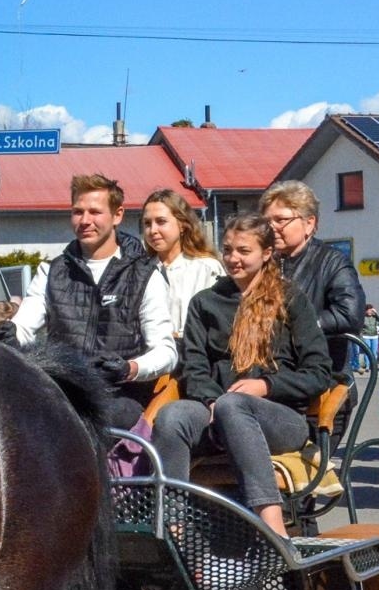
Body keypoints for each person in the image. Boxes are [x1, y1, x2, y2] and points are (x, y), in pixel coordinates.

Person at [152, 213, 332, 537]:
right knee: (173, 415)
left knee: (234, 405)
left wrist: (265, 385)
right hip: (215, 410)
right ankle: (173, 528)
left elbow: (319, 373)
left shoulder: (291, 300)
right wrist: (210, 399)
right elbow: (194, 367)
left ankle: (272, 526)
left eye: (243, 251)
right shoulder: (205, 303)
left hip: (282, 419)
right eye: (228, 249)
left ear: (266, 253)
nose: (233, 258)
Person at [13, 173, 177, 425]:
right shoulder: (51, 271)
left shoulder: (145, 274)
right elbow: (23, 326)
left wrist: (129, 368)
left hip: (120, 395)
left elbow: (165, 352)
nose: (85, 220)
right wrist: (9, 335)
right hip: (61, 390)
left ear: (118, 215)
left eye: (95, 212)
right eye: (78, 212)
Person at [259, 181, 363, 378]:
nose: (271, 228)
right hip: (267, 373)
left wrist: (297, 325)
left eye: (280, 220)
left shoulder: (332, 262)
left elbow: (350, 315)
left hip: (322, 375)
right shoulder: (261, 263)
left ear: (309, 223)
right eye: (266, 222)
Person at [138, 188, 223, 335]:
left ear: (182, 224)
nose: (153, 230)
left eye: (161, 222)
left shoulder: (206, 268)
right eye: (147, 223)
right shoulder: (140, 270)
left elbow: (218, 320)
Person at [355, 303, 379, 374]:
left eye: (371, 310)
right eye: (368, 310)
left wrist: (376, 314)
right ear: (366, 311)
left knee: (374, 352)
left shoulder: (375, 317)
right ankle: (367, 366)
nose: (370, 312)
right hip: (366, 336)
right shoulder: (363, 317)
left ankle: (373, 366)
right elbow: (359, 324)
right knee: (367, 351)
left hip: (374, 336)